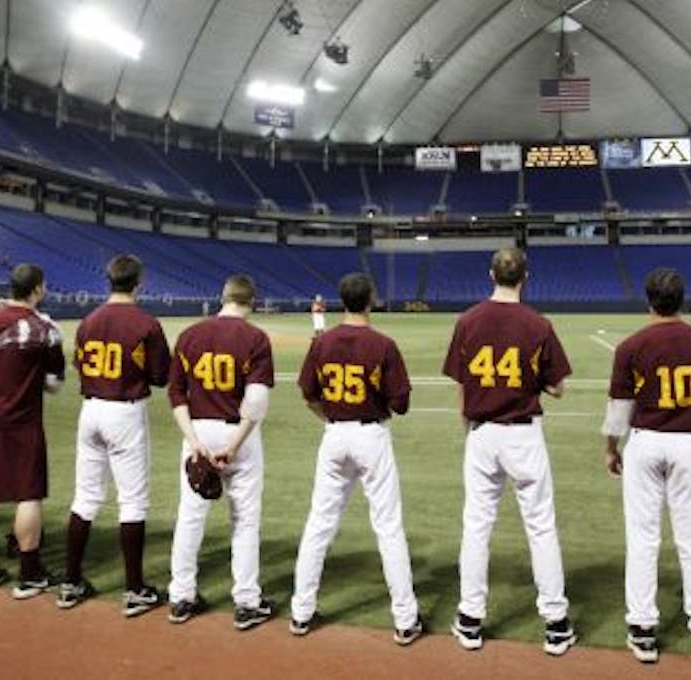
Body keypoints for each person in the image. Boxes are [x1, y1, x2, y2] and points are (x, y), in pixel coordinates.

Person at [444, 247, 575, 655]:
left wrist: (468, 428)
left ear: (491, 275)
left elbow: (461, 384)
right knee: (540, 526)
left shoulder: (468, 321)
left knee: (477, 526)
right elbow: (556, 387)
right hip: (523, 434)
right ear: (524, 277)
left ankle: (470, 619)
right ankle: (555, 623)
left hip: (482, 433)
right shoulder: (538, 323)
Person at [604, 268, 691, 668]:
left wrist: (610, 448)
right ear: (682, 299)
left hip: (644, 441)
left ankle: (642, 629)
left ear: (648, 300)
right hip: (688, 443)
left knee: (642, 539)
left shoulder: (630, 346)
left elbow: (618, 411)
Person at [290, 272, 421, 645]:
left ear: (341, 300)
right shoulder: (383, 344)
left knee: (319, 525)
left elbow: (308, 394)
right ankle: (405, 619)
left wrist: (331, 418)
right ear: (370, 300)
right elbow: (401, 403)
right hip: (371, 435)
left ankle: (301, 612)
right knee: (388, 527)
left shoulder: (322, 342)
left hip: (334, 434)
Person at [57, 254, 170, 614]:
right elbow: (160, 376)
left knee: (85, 498)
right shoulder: (146, 323)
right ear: (139, 283)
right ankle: (134, 588)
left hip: (90, 410)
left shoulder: (88, 321)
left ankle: (70, 581)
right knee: (132, 501)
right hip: (124, 410)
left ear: (108, 281)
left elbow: (79, 366)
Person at [166, 274, 275, 630]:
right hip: (237, 433)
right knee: (244, 519)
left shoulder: (189, 335)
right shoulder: (255, 338)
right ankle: (246, 602)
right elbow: (256, 401)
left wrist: (195, 442)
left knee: (190, 516)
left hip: (196, 429)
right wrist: (234, 445)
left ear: (223, 297)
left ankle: (181, 596)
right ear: (251, 301)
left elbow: (176, 394)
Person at [0, 263, 65, 599]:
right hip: (23, 419)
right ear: (37, 289)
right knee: (28, 494)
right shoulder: (45, 329)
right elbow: (54, 385)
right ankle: (28, 572)